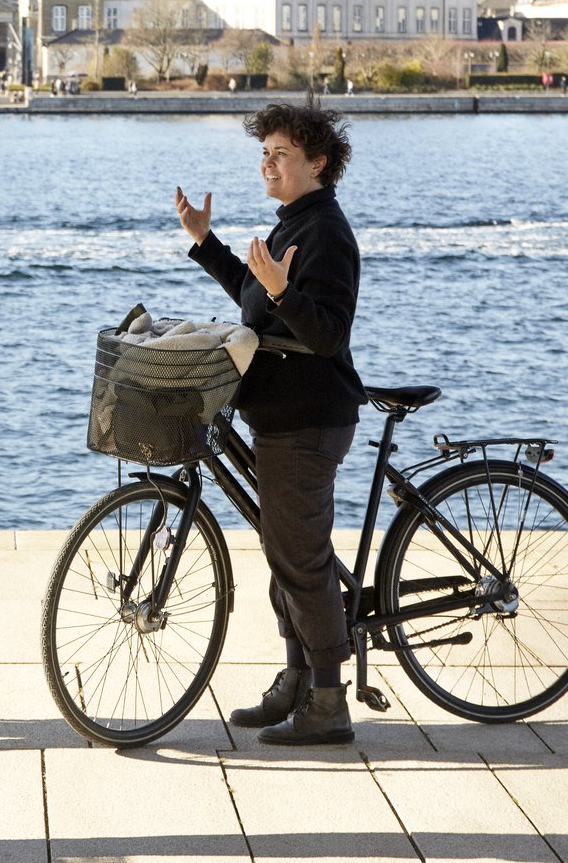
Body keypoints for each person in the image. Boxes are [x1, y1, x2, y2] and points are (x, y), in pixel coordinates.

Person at [175, 103, 364, 746]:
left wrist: (283, 292)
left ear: (318, 164)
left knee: (302, 559)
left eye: (281, 154)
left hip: (308, 418)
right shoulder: (290, 227)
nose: (268, 163)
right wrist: (207, 244)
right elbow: (259, 299)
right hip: (279, 414)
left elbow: (329, 333)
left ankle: (329, 701)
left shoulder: (327, 234)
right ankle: (296, 680)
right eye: (265, 153)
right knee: (283, 550)